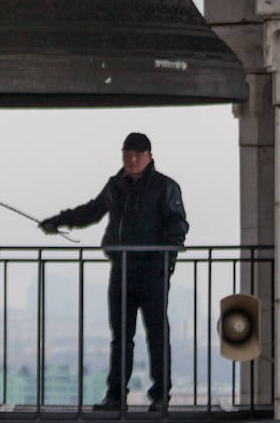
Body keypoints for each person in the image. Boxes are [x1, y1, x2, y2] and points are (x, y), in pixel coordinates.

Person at [39, 133, 187, 412]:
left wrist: (166, 260)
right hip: (122, 270)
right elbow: (92, 211)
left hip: (151, 271)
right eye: (127, 154)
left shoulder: (165, 187)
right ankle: (117, 396)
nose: (131, 160)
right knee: (121, 337)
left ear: (149, 157)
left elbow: (177, 225)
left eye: (137, 155)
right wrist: (60, 221)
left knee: (156, 335)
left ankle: (160, 397)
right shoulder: (115, 186)